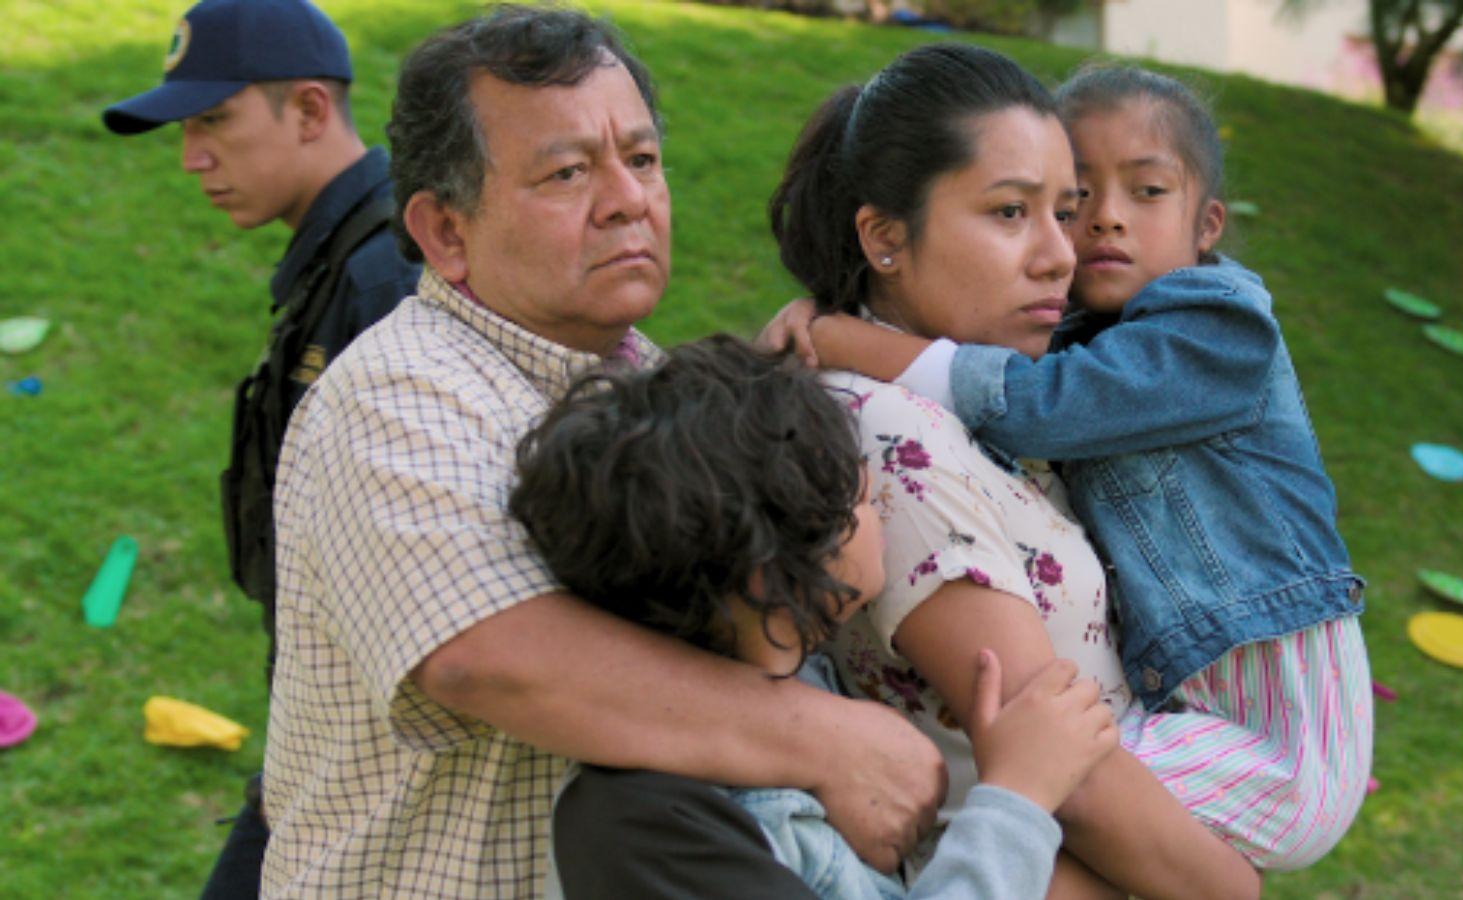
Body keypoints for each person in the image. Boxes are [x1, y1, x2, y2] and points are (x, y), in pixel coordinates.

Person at [257, 6, 943, 898]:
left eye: (643, 158)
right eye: (569, 171)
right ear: (445, 234)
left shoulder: (648, 382)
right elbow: (483, 653)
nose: (629, 198)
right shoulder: (398, 388)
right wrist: (826, 737)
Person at [764, 50, 1372, 894]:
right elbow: (1062, 767)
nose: (1069, 250)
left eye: (1064, 211)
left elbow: (1034, 405)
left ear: (1210, 224)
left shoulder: (1179, 335)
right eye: (1016, 211)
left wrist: (835, 332)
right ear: (885, 238)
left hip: (1230, 750)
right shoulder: (894, 432)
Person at [511, 334, 1120, 899]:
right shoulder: (645, 825)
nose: (878, 512)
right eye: (858, 497)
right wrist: (1017, 798)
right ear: (769, 576)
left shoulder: (798, 687)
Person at [100, 1, 418, 895]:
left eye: (213, 122)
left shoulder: (389, 275)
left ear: (311, 111)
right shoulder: (346, 260)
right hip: (323, 739)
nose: (193, 156)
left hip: (375, 764)